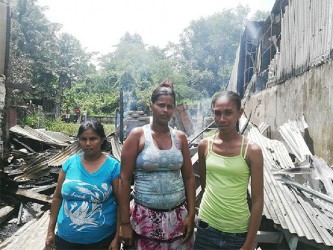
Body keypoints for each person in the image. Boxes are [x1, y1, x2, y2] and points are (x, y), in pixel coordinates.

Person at [118, 80, 196, 250]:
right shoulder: (138, 136)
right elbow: (124, 180)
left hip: (177, 218)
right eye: (161, 105)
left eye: (170, 106)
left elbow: (189, 178)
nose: (165, 110)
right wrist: (124, 222)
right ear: (151, 106)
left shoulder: (180, 138)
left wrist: (191, 213)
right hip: (144, 218)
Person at [193, 91, 264, 250]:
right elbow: (205, 186)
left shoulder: (252, 151)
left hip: (237, 233)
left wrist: (249, 242)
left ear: (240, 113)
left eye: (228, 113)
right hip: (206, 227)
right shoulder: (205, 146)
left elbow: (258, 200)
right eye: (217, 113)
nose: (222, 119)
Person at [45, 120, 120, 250]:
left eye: (93, 139)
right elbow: (57, 198)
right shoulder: (69, 163)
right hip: (65, 239)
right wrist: (50, 231)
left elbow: (121, 204)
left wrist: (117, 238)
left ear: (102, 140)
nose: (88, 143)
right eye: (83, 139)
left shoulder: (113, 167)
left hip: (101, 241)